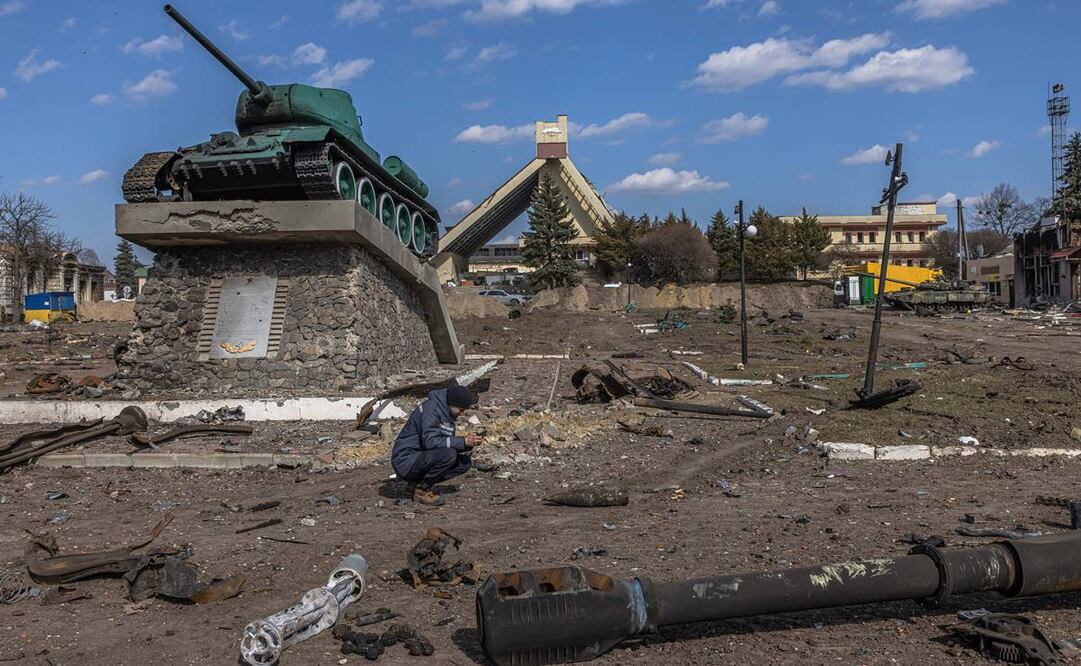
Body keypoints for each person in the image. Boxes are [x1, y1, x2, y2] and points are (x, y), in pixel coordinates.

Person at [391, 385, 482, 506]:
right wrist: (462, 441)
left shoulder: (447, 414)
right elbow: (431, 442)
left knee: (464, 463)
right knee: (449, 455)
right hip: (406, 460)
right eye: (460, 409)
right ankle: (422, 490)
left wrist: (468, 444)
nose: (462, 413)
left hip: (421, 457)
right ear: (452, 403)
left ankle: (416, 484)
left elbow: (444, 442)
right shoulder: (431, 409)